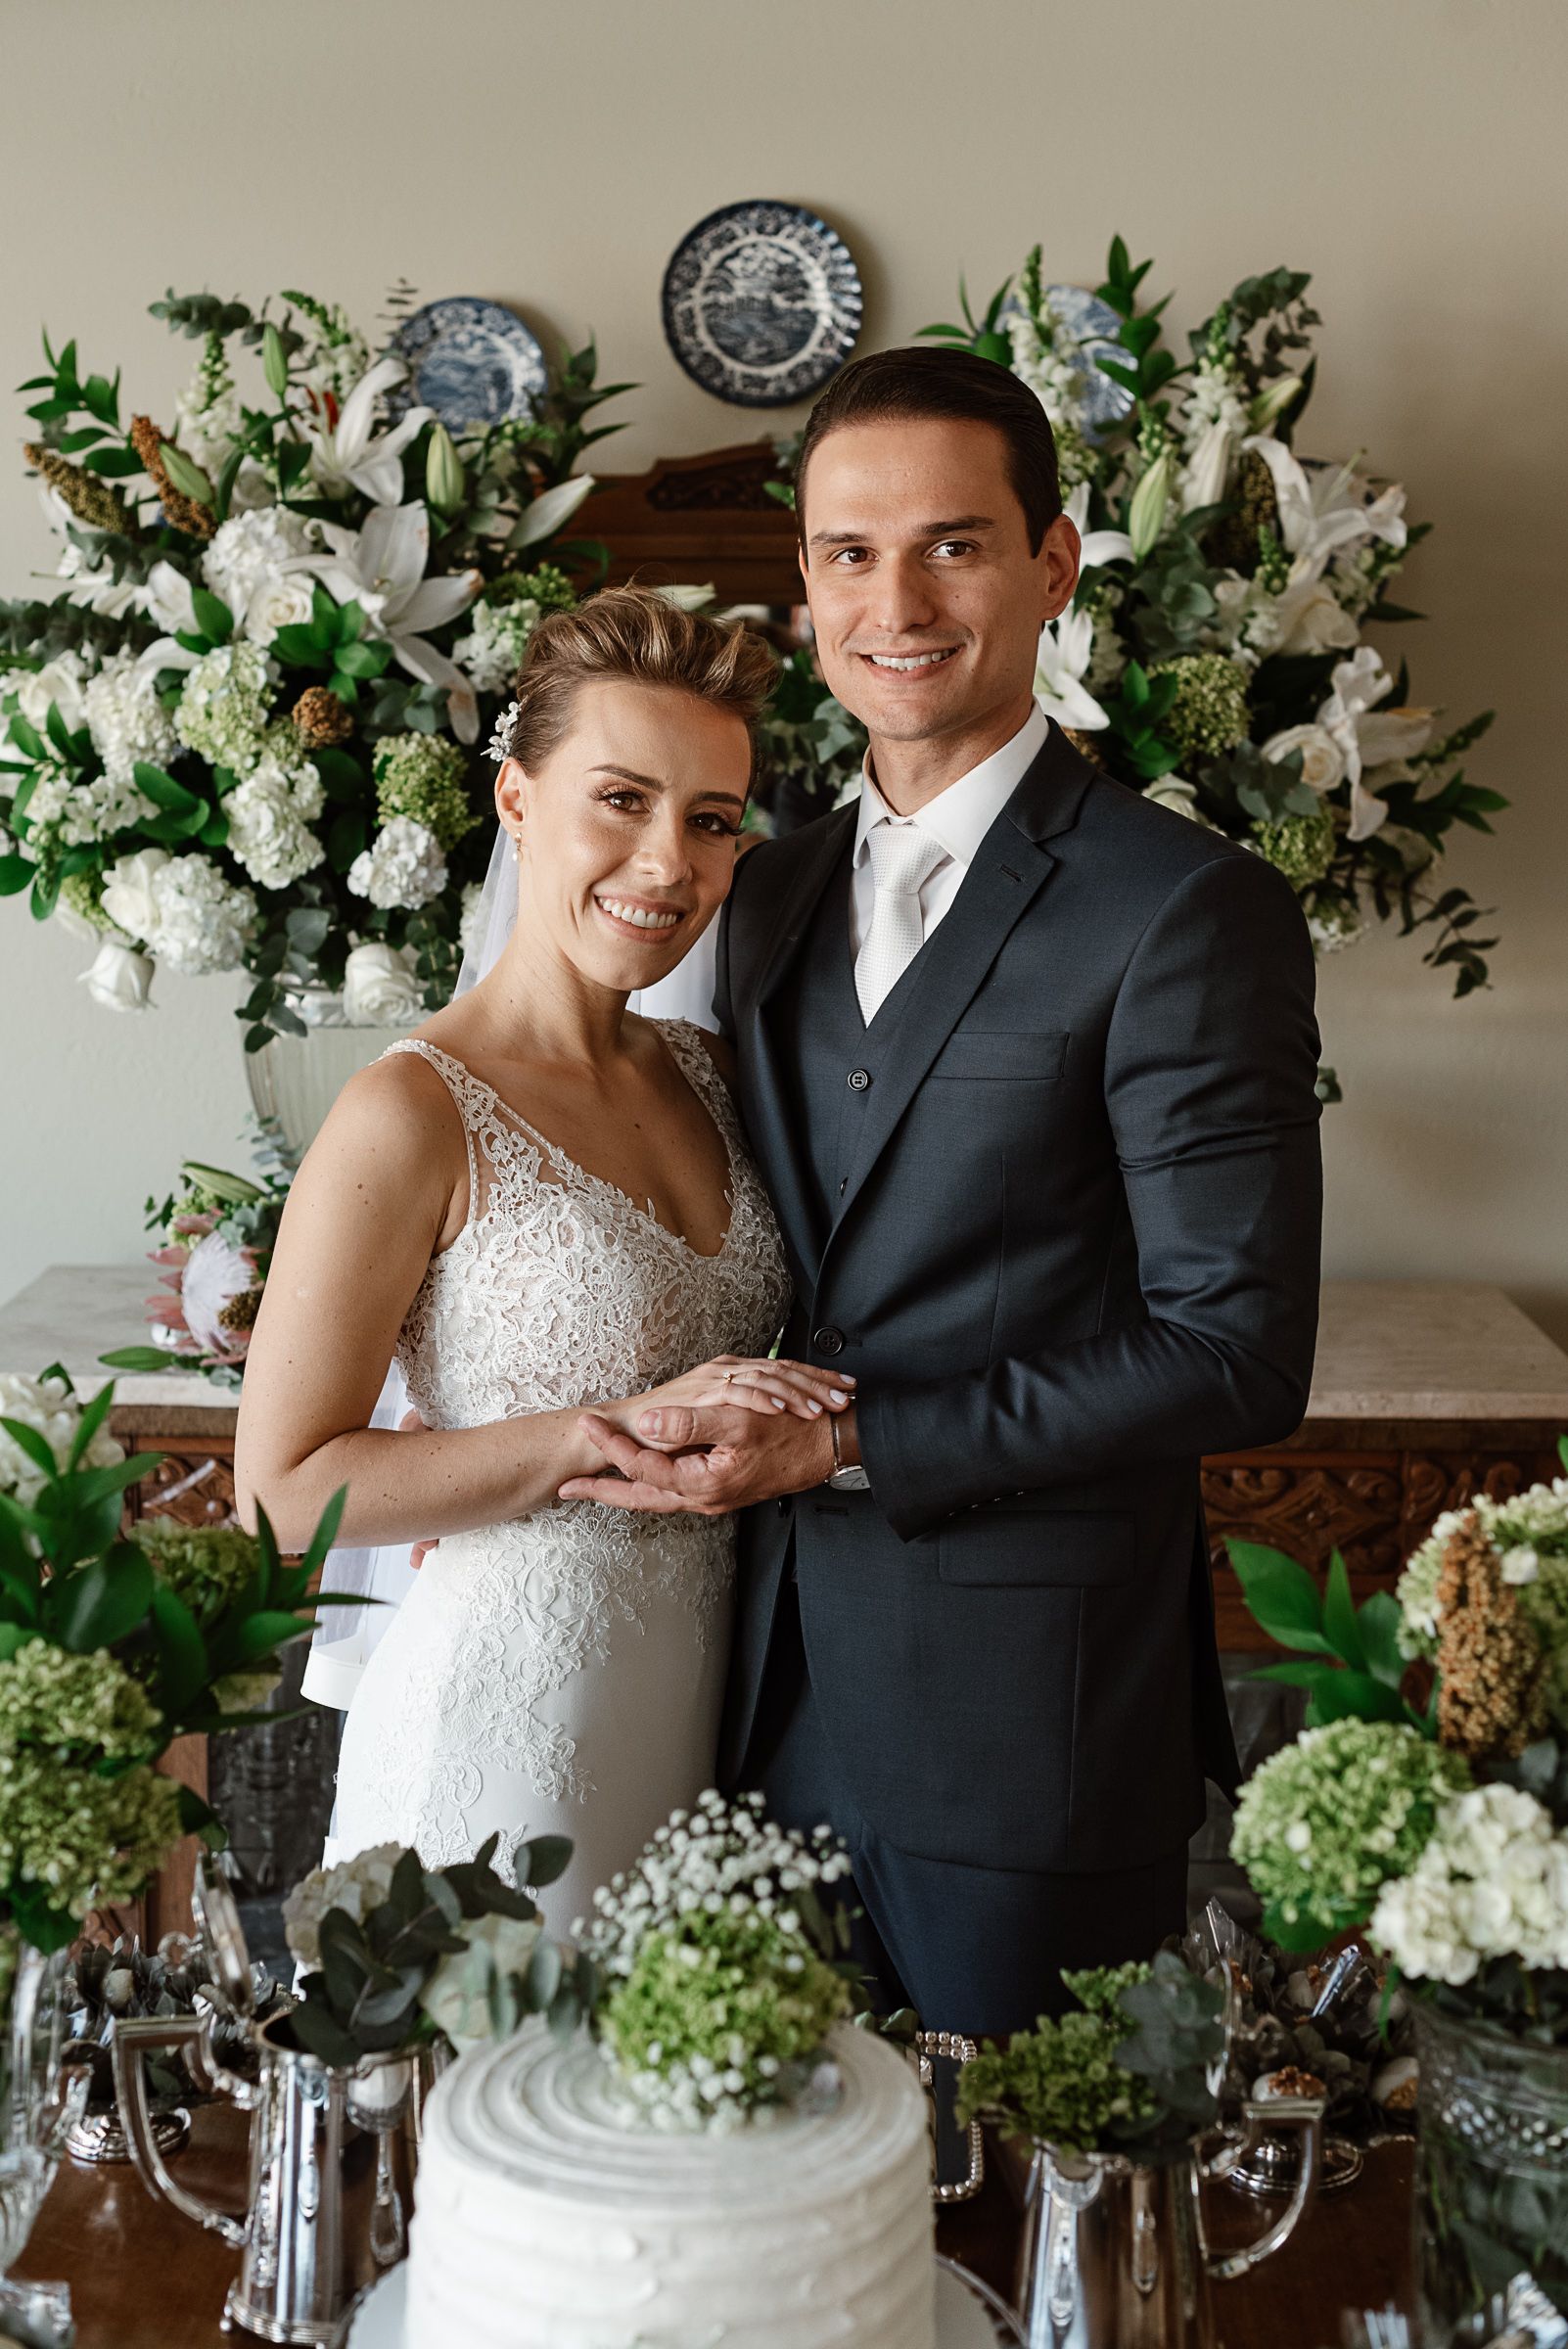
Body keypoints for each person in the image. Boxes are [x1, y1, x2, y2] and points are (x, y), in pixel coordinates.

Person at [559, 347, 1325, 2035]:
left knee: (1036, 2239)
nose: (893, 601)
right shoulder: (752, 891)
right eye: (847, 553)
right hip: (738, 1702)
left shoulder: (1183, 910)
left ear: (1052, 563)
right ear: (806, 581)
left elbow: (1235, 1349)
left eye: (952, 545)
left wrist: (844, 1440)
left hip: (1027, 1734)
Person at [232, 589, 850, 1935]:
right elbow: (282, 1495)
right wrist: (588, 1435)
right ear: (516, 802)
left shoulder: (716, 1075)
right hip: (499, 1730)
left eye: (708, 820)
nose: (665, 864)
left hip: (706, 1729)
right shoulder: (410, 1111)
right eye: (618, 800)